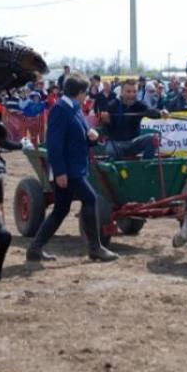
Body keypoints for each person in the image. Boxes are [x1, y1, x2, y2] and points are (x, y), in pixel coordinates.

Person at [26, 73, 118, 262]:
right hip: (69, 169)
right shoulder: (60, 110)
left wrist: (91, 136)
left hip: (76, 166)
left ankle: (35, 248)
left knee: (61, 209)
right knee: (91, 199)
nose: (87, 96)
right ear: (80, 92)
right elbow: (54, 145)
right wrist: (60, 172)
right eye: (86, 92)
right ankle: (95, 248)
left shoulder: (74, 108)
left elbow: (80, 134)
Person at [101, 79, 168, 159]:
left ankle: (146, 164)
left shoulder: (139, 105)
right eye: (128, 91)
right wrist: (106, 122)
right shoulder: (112, 105)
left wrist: (161, 113)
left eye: (134, 91)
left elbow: (150, 112)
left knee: (153, 138)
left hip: (134, 143)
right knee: (110, 149)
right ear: (121, 92)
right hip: (117, 144)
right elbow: (105, 129)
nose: (132, 94)